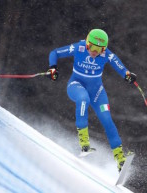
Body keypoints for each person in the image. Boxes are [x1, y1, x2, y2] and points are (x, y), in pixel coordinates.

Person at [47, 29, 137, 172]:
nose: (94, 52)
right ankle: (84, 143)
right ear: (87, 43)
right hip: (76, 86)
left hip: (97, 92)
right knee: (83, 99)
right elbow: (55, 53)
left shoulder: (106, 54)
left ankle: (120, 159)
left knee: (107, 119)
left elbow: (119, 65)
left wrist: (127, 75)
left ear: (104, 49)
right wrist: (53, 68)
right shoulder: (79, 47)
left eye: (99, 49)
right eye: (91, 47)